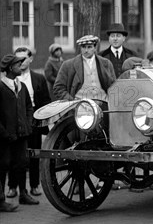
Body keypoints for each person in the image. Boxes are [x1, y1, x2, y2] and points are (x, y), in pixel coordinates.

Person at [6, 47, 51, 199]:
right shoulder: (11, 79)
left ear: (30, 59)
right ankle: (12, 187)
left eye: (24, 58)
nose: (21, 62)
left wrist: (40, 120)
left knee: (33, 155)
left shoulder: (38, 78)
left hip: (34, 123)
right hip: (15, 122)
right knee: (14, 156)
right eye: (17, 59)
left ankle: (34, 185)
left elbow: (46, 101)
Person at [0, 54, 37, 211]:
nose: (21, 67)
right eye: (17, 65)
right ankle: (1, 200)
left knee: (22, 163)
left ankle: (23, 194)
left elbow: (29, 107)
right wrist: (3, 132)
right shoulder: (1, 87)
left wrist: (28, 124)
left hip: (21, 134)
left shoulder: (21, 85)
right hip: (5, 137)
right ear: (10, 68)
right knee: (3, 165)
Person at [54, 35, 116, 102]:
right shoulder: (68, 65)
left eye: (89, 47)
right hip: (79, 108)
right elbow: (58, 88)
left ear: (95, 48)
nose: (86, 50)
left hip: (103, 105)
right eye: (83, 47)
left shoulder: (106, 63)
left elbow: (114, 87)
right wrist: (71, 102)